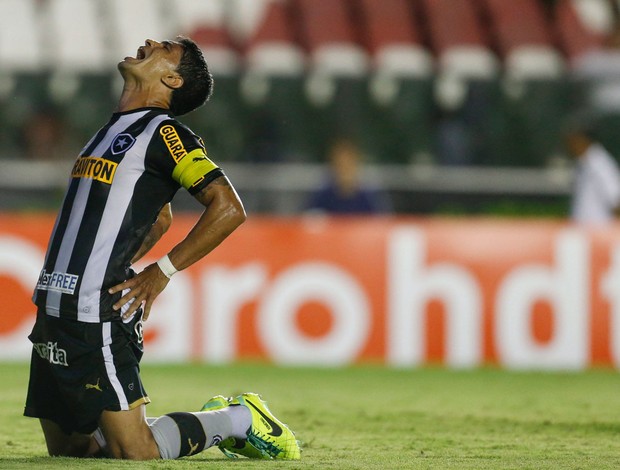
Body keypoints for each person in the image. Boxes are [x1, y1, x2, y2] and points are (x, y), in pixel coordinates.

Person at [23, 37, 301, 461]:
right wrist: (111, 257)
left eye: (166, 48)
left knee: (135, 451)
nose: (150, 41)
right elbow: (160, 217)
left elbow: (228, 206)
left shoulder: (165, 133)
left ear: (171, 79)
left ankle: (239, 419)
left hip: (94, 311)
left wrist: (162, 271)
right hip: (54, 304)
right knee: (73, 450)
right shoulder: (110, 129)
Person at [304, 138, 392, 214]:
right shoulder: (322, 197)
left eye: (347, 165)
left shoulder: (369, 198)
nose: (344, 170)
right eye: (340, 165)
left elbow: (381, 223)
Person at [565, 122, 620, 224]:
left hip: (598, 230)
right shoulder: (583, 162)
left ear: (581, 140)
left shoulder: (600, 163)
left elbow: (615, 199)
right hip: (584, 230)